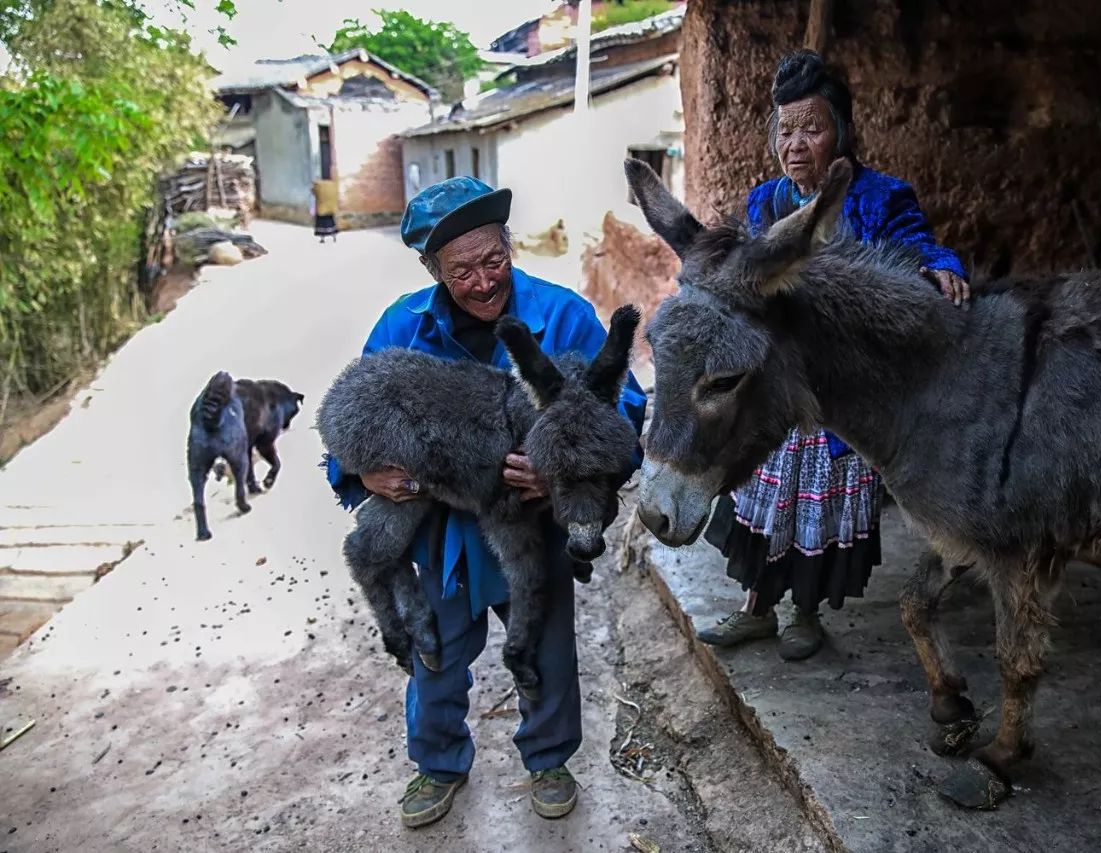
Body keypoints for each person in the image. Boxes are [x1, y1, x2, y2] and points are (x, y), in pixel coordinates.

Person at [324, 176, 647, 827]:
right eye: (461, 271)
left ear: (510, 244)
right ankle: (438, 762)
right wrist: (364, 475)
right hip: (440, 531)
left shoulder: (562, 317)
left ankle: (549, 758)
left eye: (493, 260)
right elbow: (356, 412)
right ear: (435, 272)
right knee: (435, 655)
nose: (481, 282)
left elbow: (628, 415)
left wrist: (559, 474)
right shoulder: (402, 327)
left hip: (530, 524)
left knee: (549, 647)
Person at [698, 50, 969, 660]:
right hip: (780, 382)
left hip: (839, 396)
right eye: (785, 130)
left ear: (840, 132)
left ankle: (804, 613)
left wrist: (941, 267)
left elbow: (919, 247)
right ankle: (756, 610)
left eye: (811, 128)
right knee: (764, 499)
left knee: (814, 505)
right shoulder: (765, 201)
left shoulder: (879, 198)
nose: (796, 144)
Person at [312, 177, 339, 243]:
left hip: (322, 208)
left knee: (321, 223)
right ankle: (334, 236)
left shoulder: (319, 185)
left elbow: (313, 192)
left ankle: (322, 238)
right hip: (331, 207)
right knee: (331, 221)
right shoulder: (332, 185)